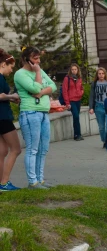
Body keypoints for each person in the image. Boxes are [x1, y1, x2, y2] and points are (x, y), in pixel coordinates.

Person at [14, 47, 56, 189]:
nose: (38, 61)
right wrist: (38, 73)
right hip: (30, 113)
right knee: (33, 148)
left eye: (39, 58)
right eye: (35, 58)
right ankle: (32, 181)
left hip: (43, 112)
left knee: (43, 148)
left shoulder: (40, 70)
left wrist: (42, 92)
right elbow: (34, 89)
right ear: (26, 59)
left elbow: (53, 86)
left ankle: (40, 179)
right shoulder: (20, 74)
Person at [0, 49, 22, 191]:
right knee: (16, 149)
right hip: (3, 118)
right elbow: (1, 96)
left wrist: (11, 98)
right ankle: (4, 182)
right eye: (10, 67)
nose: (11, 70)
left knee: (2, 151)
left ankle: (1, 182)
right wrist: (12, 96)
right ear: (3, 65)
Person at [89, 67, 107, 147]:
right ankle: (104, 141)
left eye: (103, 73)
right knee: (101, 127)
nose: (101, 75)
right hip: (98, 106)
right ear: (97, 75)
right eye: (99, 74)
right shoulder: (94, 83)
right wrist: (91, 107)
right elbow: (91, 96)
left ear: (105, 74)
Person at [63, 63, 85, 141]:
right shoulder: (67, 78)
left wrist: (81, 93)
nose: (74, 71)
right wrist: (67, 103)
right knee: (76, 116)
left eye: (75, 69)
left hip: (78, 100)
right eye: (72, 69)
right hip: (71, 100)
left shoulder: (79, 78)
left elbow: (81, 87)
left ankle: (78, 134)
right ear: (70, 70)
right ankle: (77, 134)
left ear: (77, 70)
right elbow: (64, 91)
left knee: (77, 117)